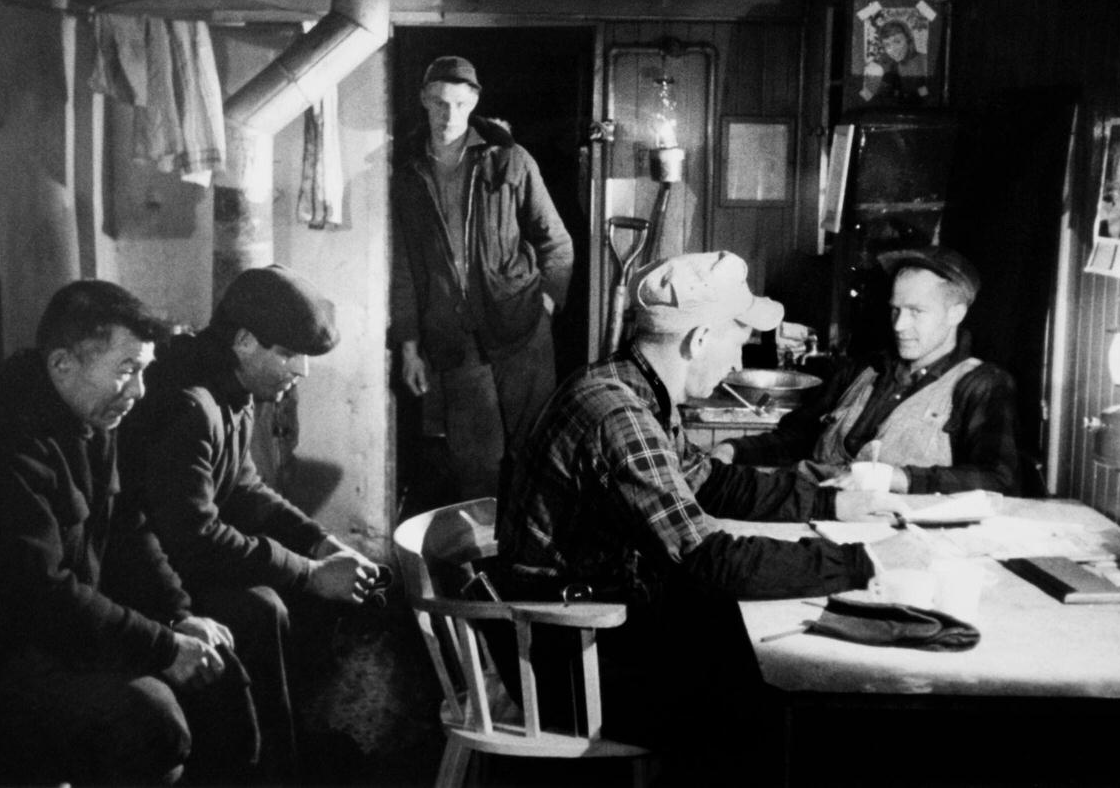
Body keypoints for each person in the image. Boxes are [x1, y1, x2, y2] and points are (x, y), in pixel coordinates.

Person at [492, 250, 934, 784]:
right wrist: (864, 560)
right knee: (769, 711)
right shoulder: (620, 415)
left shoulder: (630, 384)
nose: (737, 360)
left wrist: (830, 503)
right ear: (700, 339)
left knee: (743, 654)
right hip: (565, 661)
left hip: (591, 625)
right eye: (738, 339)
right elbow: (711, 559)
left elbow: (713, 481)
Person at [0, 280, 255, 785]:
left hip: (53, 632)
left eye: (144, 371)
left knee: (221, 673)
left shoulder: (91, 416)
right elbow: (40, 596)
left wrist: (181, 619)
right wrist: (164, 648)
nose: (139, 391)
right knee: (152, 720)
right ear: (63, 364)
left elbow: (128, 531)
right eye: (127, 370)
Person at [118, 263, 384, 782]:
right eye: (288, 353)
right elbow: (195, 536)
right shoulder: (190, 406)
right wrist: (308, 573)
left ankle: (287, 757)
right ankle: (262, 770)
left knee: (281, 603)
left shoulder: (232, 390)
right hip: (144, 580)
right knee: (262, 609)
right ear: (244, 342)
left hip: (181, 559)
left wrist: (319, 544)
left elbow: (244, 488)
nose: (301, 370)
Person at [391, 55, 575, 503]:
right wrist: (410, 347)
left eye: (457, 103)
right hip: (455, 339)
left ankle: (538, 553)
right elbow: (404, 272)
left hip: (521, 329)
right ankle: (485, 559)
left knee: (538, 452)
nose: (447, 114)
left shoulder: (510, 161)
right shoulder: (407, 176)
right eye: (437, 103)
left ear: (473, 102)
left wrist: (546, 307)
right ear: (423, 101)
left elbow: (557, 244)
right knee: (475, 462)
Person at [712, 245, 1024, 497]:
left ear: (956, 313)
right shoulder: (865, 370)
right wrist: (732, 450)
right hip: (812, 513)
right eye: (895, 310)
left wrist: (899, 479)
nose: (900, 326)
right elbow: (796, 439)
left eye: (917, 312)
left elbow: (1000, 480)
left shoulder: (981, 385)